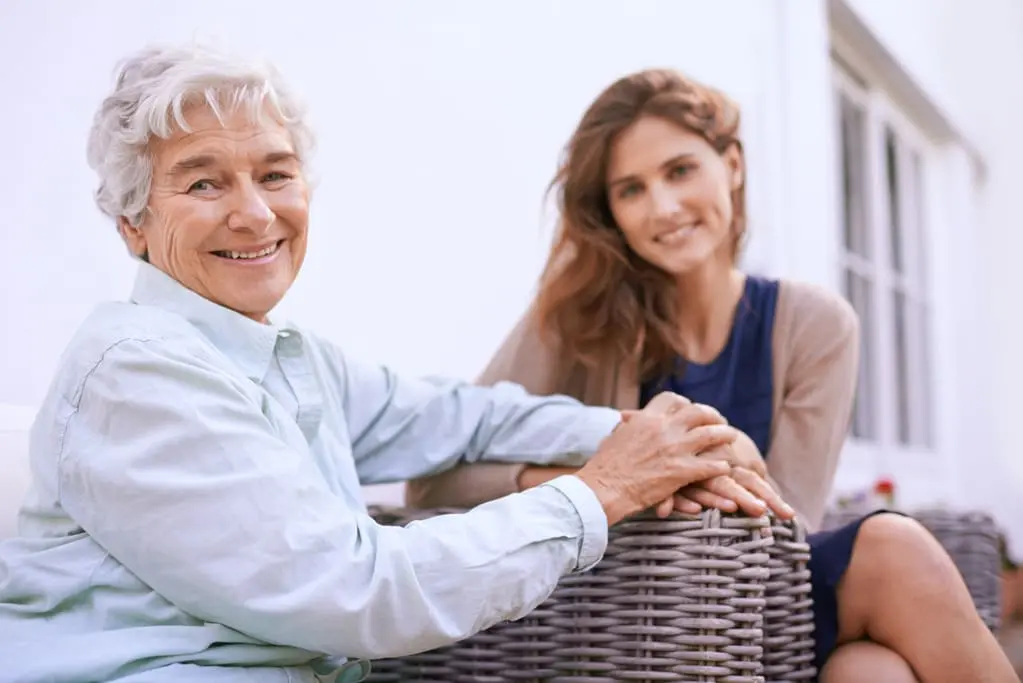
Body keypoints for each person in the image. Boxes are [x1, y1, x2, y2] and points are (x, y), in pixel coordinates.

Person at [0, 45, 750, 683]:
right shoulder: (139, 373)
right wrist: (605, 486)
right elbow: (360, 588)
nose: (256, 214)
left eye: (274, 174)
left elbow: (459, 414)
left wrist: (646, 435)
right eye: (203, 182)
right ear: (135, 224)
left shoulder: (283, 355)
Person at [407, 69, 1019, 682]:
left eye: (679, 171)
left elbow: (795, 525)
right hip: (639, 619)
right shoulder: (573, 320)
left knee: (875, 653)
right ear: (611, 212)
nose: (663, 208)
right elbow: (431, 481)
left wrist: (748, 462)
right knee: (873, 654)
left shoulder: (816, 324)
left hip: (768, 606)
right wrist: (602, 481)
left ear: (732, 164)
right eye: (631, 190)